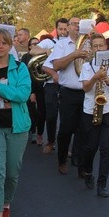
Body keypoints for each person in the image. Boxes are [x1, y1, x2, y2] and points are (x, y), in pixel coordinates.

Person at [0, 28, 31, 217]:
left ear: (11, 45)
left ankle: (6, 203)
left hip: (17, 127)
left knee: (12, 172)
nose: (1, 46)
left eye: (4, 43)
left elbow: (22, 94)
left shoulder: (20, 68)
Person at [79, 33, 109, 197]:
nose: (98, 48)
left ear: (106, 47)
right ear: (91, 48)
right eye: (95, 46)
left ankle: (102, 184)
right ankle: (88, 172)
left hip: (108, 109)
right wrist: (95, 78)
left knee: (106, 149)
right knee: (90, 147)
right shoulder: (86, 67)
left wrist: (108, 81)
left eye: (101, 46)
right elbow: (85, 89)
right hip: (90, 110)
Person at [44, 16, 87, 173]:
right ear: (67, 27)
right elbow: (56, 65)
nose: (77, 26)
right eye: (74, 24)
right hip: (68, 92)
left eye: (79, 24)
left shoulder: (89, 42)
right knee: (66, 129)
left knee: (84, 129)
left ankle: (79, 160)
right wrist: (74, 54)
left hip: (87, 91)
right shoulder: (62, 44)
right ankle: (62, 159)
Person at [30, 18, 68, 153]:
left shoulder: (72, 43)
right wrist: (45, 52)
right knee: (51, 116)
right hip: (51, 83)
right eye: (61, 29)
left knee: (66, 118)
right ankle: (51, 141)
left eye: (65, 28)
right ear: (56, 29)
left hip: (67, 83)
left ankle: (64, 145)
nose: (63, 31)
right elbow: (32, 51)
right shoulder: (49, 42)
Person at [22, 37, 45, 145]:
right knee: (32, 111)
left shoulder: (43, 57)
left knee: (41, 113)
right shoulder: (25, 57)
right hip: (30, 87)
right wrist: (31, 92)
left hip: (41, 88)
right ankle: (33, 132)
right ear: (30, 46)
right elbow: (26, 75)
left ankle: (39, 132)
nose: (36, 45)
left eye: (38, 43)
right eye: (33, 43)